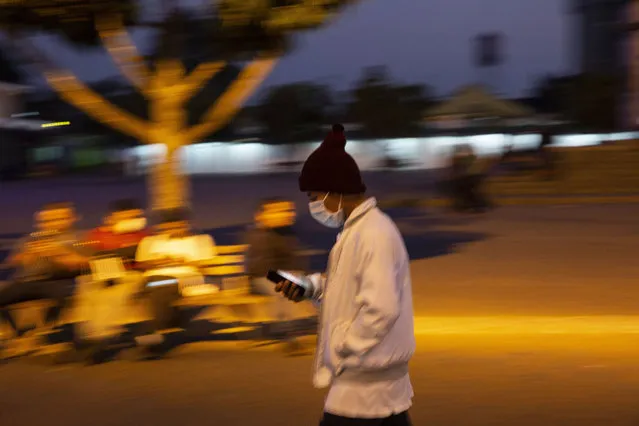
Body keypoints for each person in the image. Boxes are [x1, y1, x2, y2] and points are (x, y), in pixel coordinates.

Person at [276, 124, 415, 426]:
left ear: (334, 191)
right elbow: (348, 290)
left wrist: (343, 345)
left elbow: (381, 309)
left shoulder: (372, 234)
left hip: (363, 382)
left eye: (314, 196)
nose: (313, 205)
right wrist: (311, 288)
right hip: (376, 382)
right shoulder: (358, 232)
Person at [0, 203, 91, 357]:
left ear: (71, 219)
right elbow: (13, 261)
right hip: (27, 281)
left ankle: (42, 332)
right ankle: (18, 334)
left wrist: (57, 253)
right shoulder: (31, 238)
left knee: (63, 297)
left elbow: (83, 263)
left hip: (57, 280)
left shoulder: (78, 238)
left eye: (58, 219)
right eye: (48, 220)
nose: (52, 223)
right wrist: (28, 254)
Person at [132, 208, 216, 358]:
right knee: (159, 289)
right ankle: (166, 326)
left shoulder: (201, 240)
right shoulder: (149, 242)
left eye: (178, 226)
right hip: (154, 279)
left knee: (158, 292)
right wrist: (158, 261)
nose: (173, 229)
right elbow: (140, 264)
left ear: (186, 225)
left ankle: (151, 340)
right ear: (162, 227)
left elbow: (206, 267)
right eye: (168, 227)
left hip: (187, 279)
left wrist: (185, 260)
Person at [244, 197, 309, 355]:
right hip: (261, 278)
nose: (287, 214)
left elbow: (297, 262)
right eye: (279, 210)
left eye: (289, 210)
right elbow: (260, 267)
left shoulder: (287, 234)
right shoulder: (258, 235)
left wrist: (300, 275)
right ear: (262, 215)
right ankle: (289, 337)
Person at [87, 199, 149, 266]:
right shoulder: (99, 234)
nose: (129, 219)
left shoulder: (143, 233)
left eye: (133, 217)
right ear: (114, 215)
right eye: (126, 215)